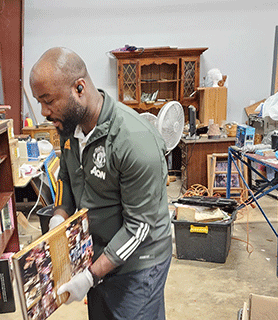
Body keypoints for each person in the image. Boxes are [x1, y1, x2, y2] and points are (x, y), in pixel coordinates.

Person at [29, 47, 172, 320]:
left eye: (48, 100)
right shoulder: (69, 128)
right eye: (39, 102)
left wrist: (90, 276)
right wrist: (59, 218)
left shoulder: (134, 142)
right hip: (95, 256)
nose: (44, 112)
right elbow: (67, 180)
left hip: (139, 264)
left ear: (79, 88)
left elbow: (139, 227)